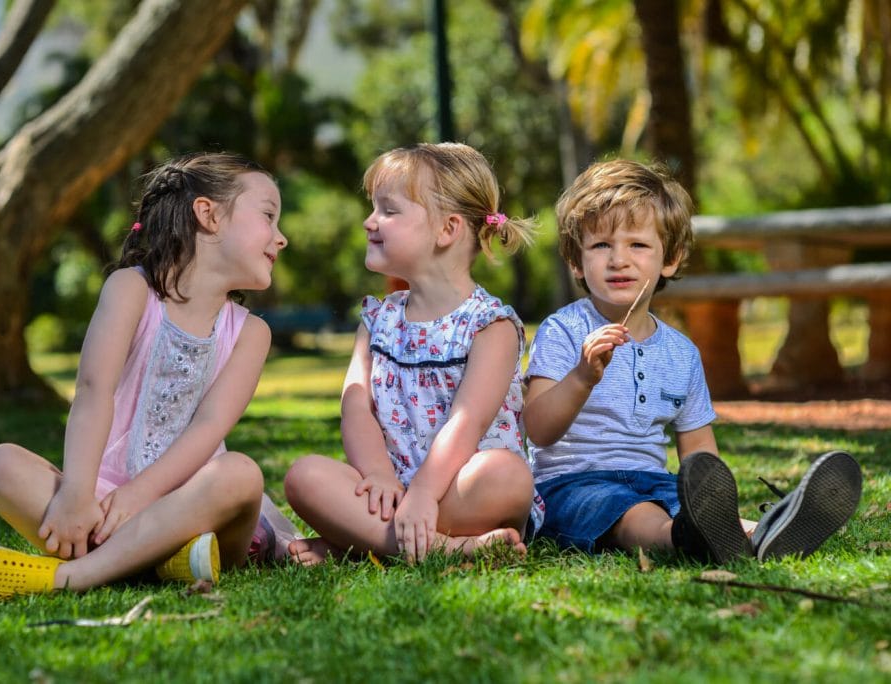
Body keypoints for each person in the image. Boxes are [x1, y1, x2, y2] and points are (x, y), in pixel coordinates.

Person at [0, 152, 298, 602]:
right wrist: (77, 494)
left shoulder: (250, 334)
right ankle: (164, 562)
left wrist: (140, 496)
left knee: (240, 474)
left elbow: (209, 428)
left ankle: (73, 576)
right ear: (208, 214)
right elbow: (93, 391)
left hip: (196, 503)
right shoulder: (130, 289)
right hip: (105, 499)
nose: (281, 237)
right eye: (268, 216)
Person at [522, 159, 862, 563]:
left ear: (670, 258)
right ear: (576, 261)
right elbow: (537, 429)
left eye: (637, 245)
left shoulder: (680, 352)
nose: (618, 259)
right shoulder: (563, 330)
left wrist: (713, 497)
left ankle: (761, 533)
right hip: (572, 486)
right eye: (601, 246)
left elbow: (699, 449)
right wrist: (582, 377)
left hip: (652, 480)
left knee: (680, 500)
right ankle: (684, 539)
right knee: (633, 514)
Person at [283, 142, 542, 565]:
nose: (369, 221)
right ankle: (445, 548)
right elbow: (356, 406)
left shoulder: (490, 326)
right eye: (374, 208)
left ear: (447, 230)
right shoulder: (378, 319)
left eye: (388, 210)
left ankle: (361, 543)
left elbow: (467, 421)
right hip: (389, 491)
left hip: (462, 490)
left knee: (508, 475)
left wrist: (423, 492)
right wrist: (379, 474)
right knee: (304, 476)